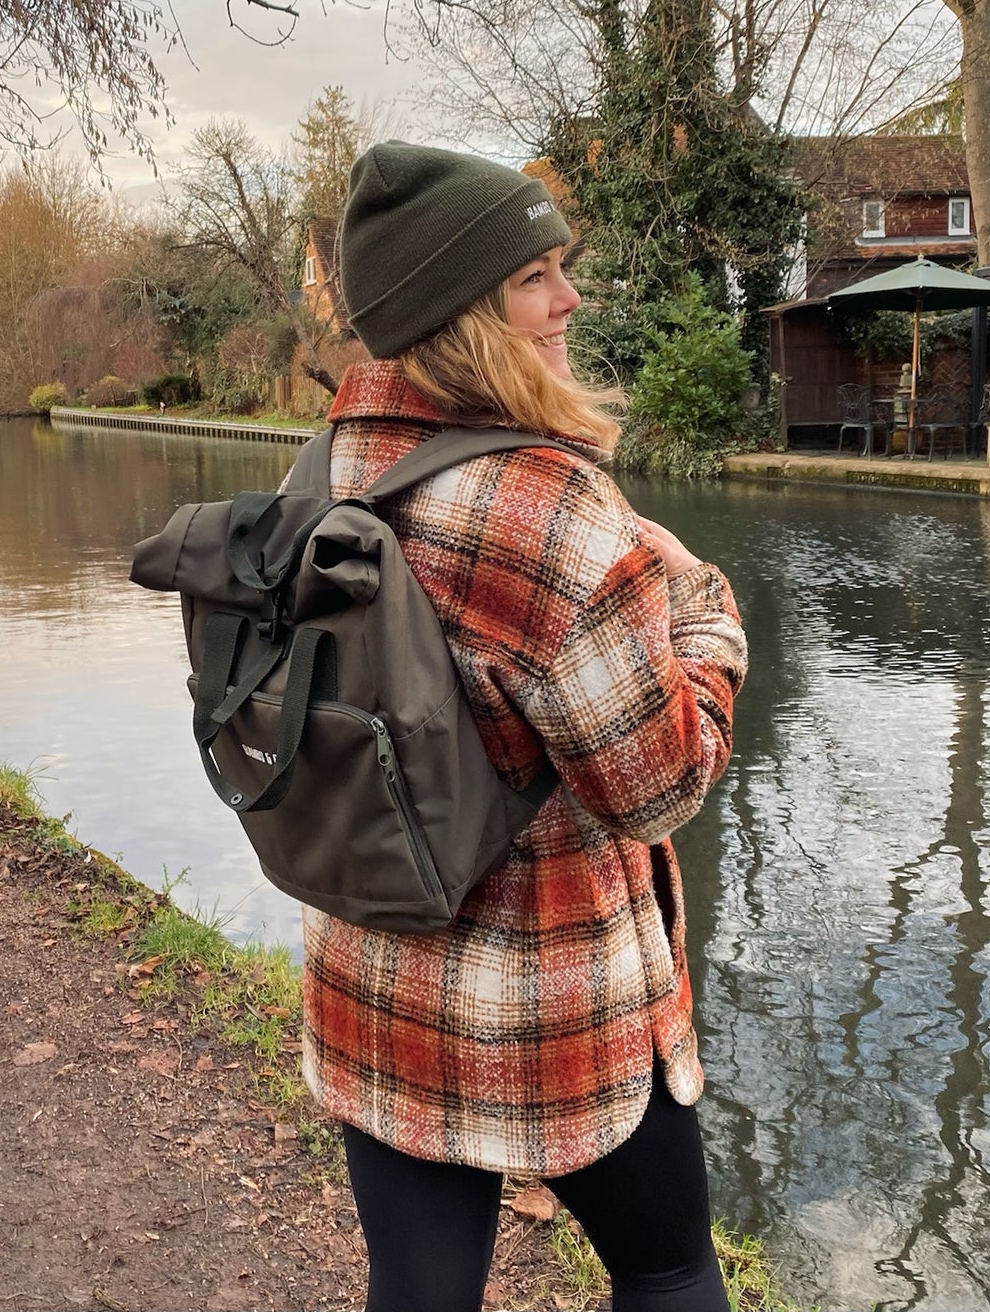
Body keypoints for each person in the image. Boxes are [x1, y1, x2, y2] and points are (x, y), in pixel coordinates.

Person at [303, 140, 748, 1312]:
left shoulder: (330, 461)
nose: (570, 298)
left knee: (417, 1288)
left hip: (375, 966)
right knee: (668, 1272)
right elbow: (654, 790)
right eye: (534, 277)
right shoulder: (542, 505)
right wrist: (705, 627)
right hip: (550, 997)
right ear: (463, 313)